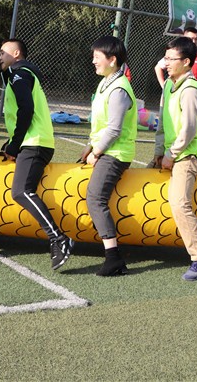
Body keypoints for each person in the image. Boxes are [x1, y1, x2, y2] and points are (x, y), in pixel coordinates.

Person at [0, 38, 74, 270]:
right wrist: (11, 143)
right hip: (33, 142)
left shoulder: (19, 73)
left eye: (3, 52)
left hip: (35, 143)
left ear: (16, 54)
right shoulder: (20, 74)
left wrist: (15, 145)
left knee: (21, 191)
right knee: (21, 190)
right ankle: (58, 238)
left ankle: (58, 238)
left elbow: (26, 110)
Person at [152, 36, 197, 281]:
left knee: (179, 202)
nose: (166, 63)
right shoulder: (169, 85)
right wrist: (158, 151)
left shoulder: (190, 90)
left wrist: (171, 154)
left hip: (188, 154)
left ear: (186, 62)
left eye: (171, 59)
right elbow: (163, 122)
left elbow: (188, 129)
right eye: (165, 58)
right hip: (173, 152)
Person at [81, 35, 137, 277]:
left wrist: (97, 152)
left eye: (97, 57)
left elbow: (114, 129)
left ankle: (113, 257)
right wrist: (89, 145)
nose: (93, 61)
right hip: (106, 149)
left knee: (95, 198)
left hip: (115, 153)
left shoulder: (119, 89)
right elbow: (101, 124)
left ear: (112, 60)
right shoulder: (106, 83)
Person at [154, 25, 197, 92]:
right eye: (191, 39)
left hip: (190, 91)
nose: (194, 41)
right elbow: (158, 67)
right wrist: (164, 87)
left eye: (196, 39)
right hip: (173, 91)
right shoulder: (175, 54)